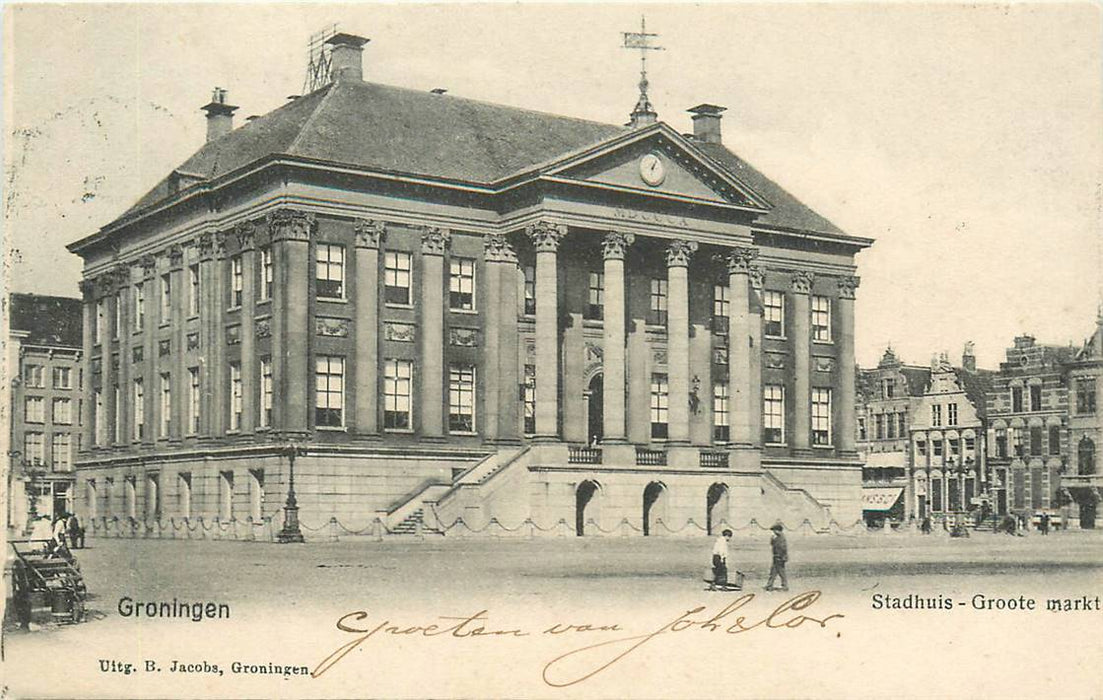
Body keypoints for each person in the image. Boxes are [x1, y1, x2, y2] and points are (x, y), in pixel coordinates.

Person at [765, 522, 789, 592]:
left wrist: (782, 557)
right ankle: (769, 585)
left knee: (781, 572)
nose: (774, 532)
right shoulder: (777, 537)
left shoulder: (781, 538)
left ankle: (784, 586)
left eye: (774, 530)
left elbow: (782, 548)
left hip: (780, 557)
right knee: (773, 572)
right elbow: (772, 545)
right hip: (776, 557)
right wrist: (773, 539)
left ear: (778, 530)